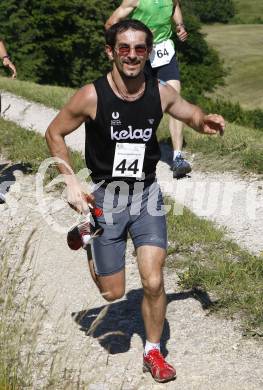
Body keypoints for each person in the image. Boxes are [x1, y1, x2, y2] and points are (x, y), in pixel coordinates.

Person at [45, 20, 225, 383]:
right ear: (110, 51)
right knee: (112, 292)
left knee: (154, 281)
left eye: (139, 49)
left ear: (148, 52)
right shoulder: (92, 96)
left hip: (146, 196)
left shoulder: (159, 91)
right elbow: (55, 132)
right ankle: (91, 235)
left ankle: (154, 352)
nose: (131, 55)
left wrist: (202, 120)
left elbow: (186, 110)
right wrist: (70, 181)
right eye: (123, 48)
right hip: (105, 199)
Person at [105, 0, 190, 179]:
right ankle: (126, 157)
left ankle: (178, 158)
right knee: (135, 103)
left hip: (165, 52)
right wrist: (129, 43)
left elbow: (175, 7)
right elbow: (111, 23)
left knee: (175, 99)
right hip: (139, 55)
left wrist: (180, 26)